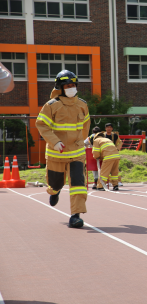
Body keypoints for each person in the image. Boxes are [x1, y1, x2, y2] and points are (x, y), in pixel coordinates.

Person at [36, 70, 90, 228]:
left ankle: (76, 215)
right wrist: (55, 142)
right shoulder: (52, 105)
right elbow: (42, 125)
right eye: (68, 85)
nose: (71, 88)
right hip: (56, 153)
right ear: (60, 87)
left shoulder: (82, 105)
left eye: (73, 85)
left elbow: (85, 125)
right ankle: (55, 191)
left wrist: (83, 140)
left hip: (77, 152)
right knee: (55, 183)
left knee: (78, 183)